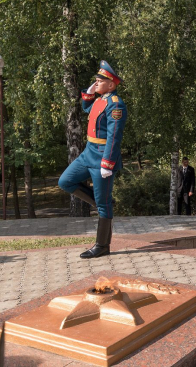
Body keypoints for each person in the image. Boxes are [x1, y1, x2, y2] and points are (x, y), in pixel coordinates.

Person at [58, 60, 127, 259]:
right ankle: (102, 201)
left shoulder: (116, 104)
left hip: (102, 157)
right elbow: (87, 109)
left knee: (103, 206)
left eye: (100, 80)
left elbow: (114, 136)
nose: (96, 82)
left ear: (111, 85)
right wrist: (88, 95)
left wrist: (108, 163)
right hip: (88, 153)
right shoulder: (100, 100)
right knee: (65, 181)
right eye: (96, 79)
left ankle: (102, 246)